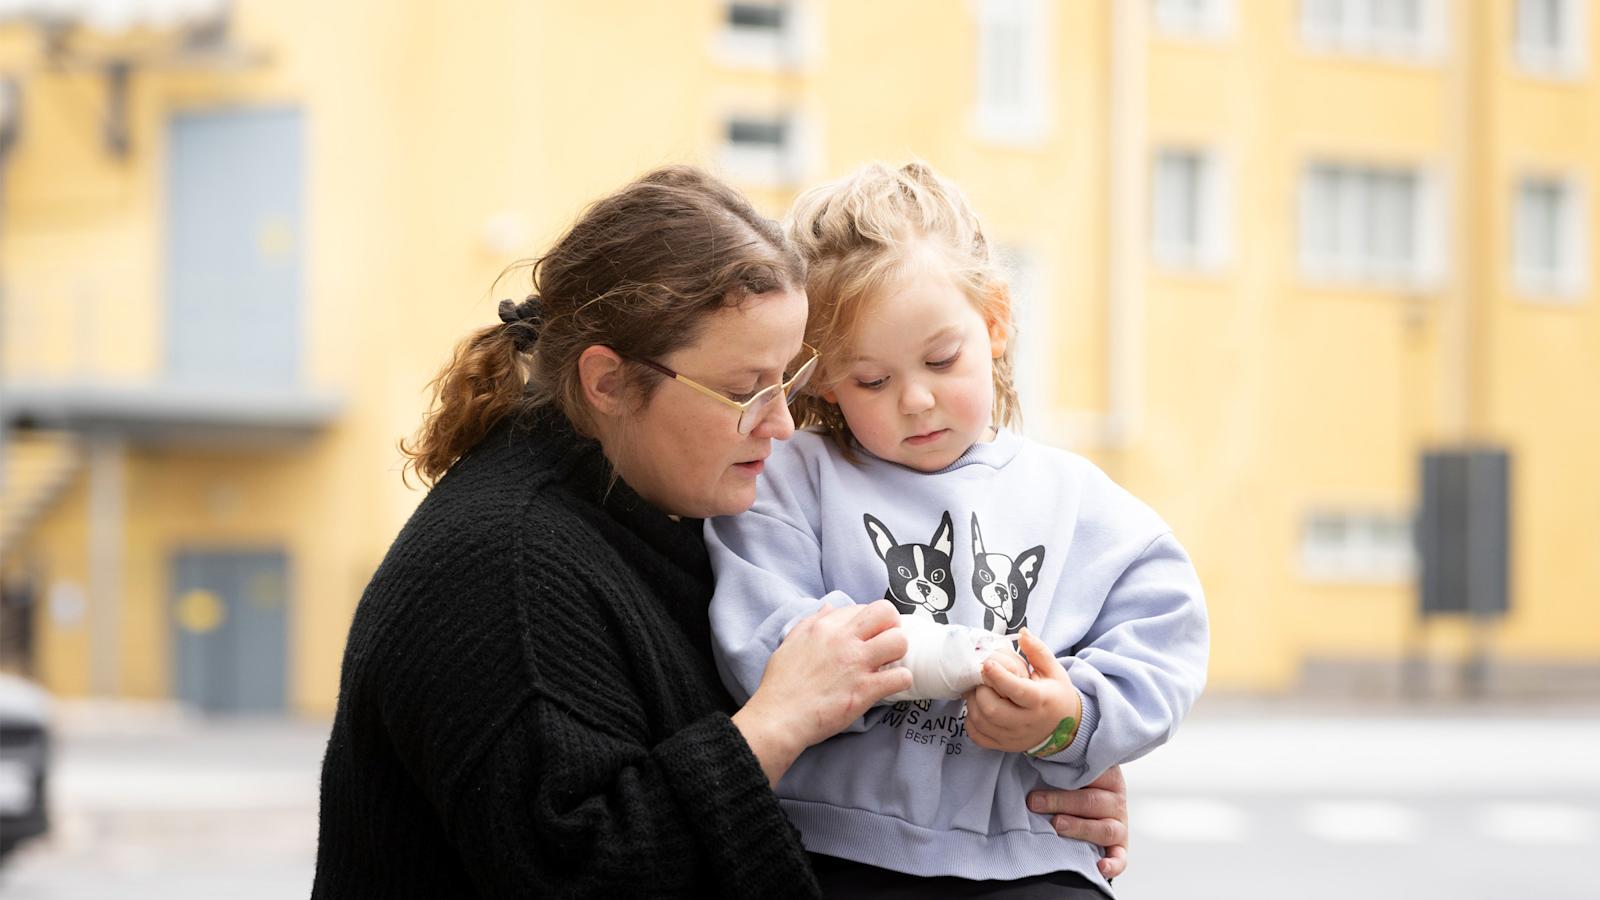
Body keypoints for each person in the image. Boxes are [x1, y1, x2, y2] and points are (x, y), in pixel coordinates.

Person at [313, 165, 1131, 898]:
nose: (782, 425)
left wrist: (1004, 782)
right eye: (746, 390)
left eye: (790, 381)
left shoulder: (654, 511)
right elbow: (586, 875)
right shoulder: (505, 573)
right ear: (608, 382)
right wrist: (775, 725)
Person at [706, 161, 1209, 897]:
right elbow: (761, 639)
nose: (915, 399)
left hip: (1032, 855)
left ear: (995, 322)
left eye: (943, 359)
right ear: (821, 379)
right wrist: (945, 659)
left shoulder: (1072, 498)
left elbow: (1165, 626)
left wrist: (1069, 718)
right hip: (835, 851)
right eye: (871, 380)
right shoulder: (791, 479)